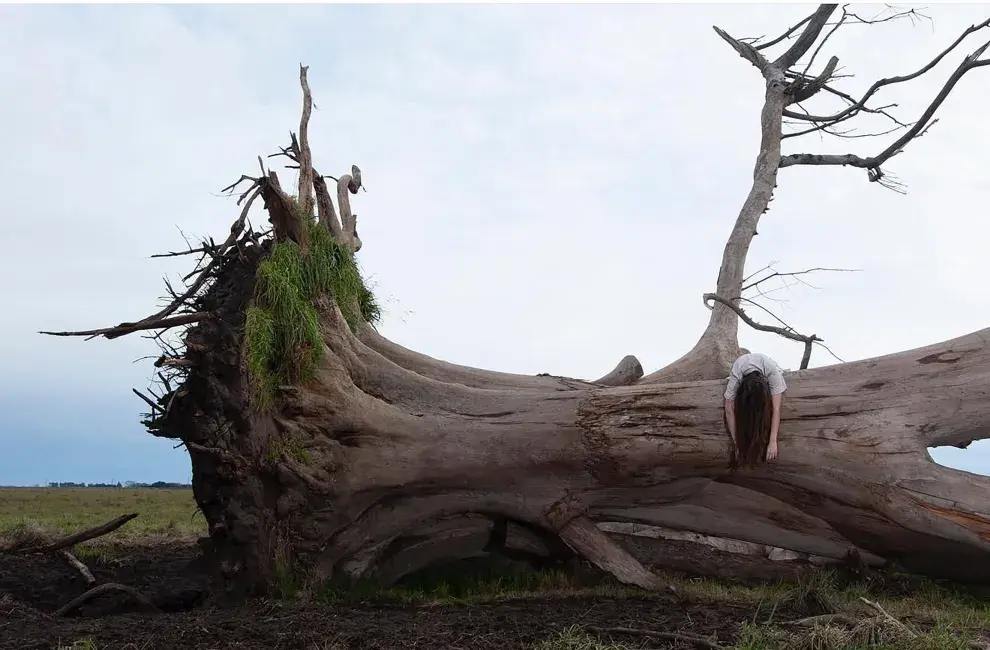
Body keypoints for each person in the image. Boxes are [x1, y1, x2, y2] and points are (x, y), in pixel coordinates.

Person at [723, 352, 786, 468]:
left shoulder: (772, 372)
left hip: (768, 371)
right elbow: (728, 408)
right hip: (743, 373)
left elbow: (776, 409)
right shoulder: (737, 372)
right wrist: (736, 443)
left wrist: (773, 441)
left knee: (762, 412)